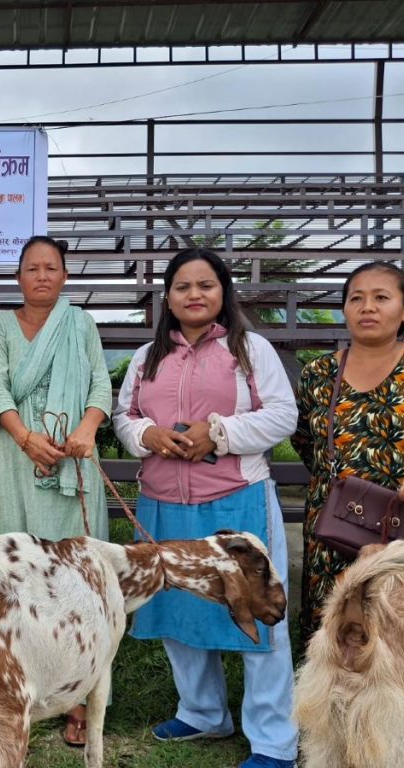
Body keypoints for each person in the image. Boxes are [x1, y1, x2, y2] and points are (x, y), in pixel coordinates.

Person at [113, 248, 298, 768]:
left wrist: (217, 433)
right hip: (163, 503)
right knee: (179, 611)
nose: (194, 294)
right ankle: (201, 712)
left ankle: (273, 739)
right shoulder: (147, 357)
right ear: (168, 298)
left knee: (260, 612)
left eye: (206, 285)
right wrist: (147, 434)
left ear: (223, 292)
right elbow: (124, 416)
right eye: (183, 286)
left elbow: (281, 415)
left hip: (236, 502)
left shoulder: (250, 349)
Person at [0, 235, 112, 747]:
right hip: (14, 461)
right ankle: (13, 690)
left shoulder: (80, 325)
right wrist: (26, 438)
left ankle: (77, 694)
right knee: (13, 578)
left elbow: (99, 385)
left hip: (73, 456)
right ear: (19, 277)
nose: (42, 276)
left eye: (51, 268)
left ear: (64, 276)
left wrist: (86, 429)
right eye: (32, 268)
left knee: (73, 578)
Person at [292, 262, 404, 639]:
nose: (367, 307)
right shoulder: (318, 374)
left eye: (381, 297)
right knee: (341, 639)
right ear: (345, 309)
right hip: (338, 527)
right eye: (356, 298)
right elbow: (305, 441)